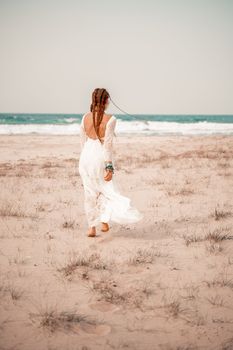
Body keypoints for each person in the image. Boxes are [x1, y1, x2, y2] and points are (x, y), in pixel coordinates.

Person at [78, 88, 143, 237]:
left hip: (85, 157)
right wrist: (109, 166)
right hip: (99, 157)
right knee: (107, 190)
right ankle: (105, 222)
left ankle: (91, 228)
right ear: (106, 101)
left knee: (89, 193)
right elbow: (107, 146)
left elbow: (82, 142)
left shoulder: (84, 118)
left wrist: (84, 157)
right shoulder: (111, 119)